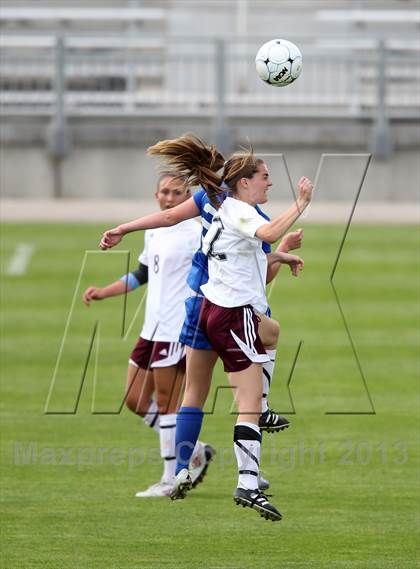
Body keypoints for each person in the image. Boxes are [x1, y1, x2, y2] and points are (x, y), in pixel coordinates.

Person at [99, 135, 313, 515]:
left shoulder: (209, 202)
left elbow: (175, 223)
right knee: (245, 400)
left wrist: (123, 228)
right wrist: (295, 217)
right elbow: (258, 261)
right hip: (228, 311)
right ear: (242, 181)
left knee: (198, 390)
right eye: (265, 176)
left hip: (200, 308)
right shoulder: (244, 213)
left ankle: (180, 470)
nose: (270, 182)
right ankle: (248, 478)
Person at [83, 172, 214, 497]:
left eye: (177, 193)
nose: (170, 198)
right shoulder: (154, 229)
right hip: (150, 328)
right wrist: (104, 292)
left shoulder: (195, 233)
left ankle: (171, 479)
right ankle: (194, 448)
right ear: (156, 194)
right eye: (165, 192)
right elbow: (142, 274)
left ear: (188, 197)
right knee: (135, 399)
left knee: (169, 404)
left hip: (175, 328)